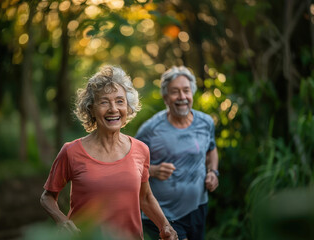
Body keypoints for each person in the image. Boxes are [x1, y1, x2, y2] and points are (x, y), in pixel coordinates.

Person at [40, 65, 178, 240]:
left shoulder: (141, 149)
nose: (113, 108)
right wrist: (61, 220)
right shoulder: (71, 151)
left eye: (120, 101)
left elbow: (145, 197)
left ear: (128, 107)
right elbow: (47, 197)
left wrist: (165, 225)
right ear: (91, 109)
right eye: (104, 102)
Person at [135, 66, 219, 240]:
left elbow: (211, 149)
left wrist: (213, 172)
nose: (182, 97)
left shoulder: (205, 122)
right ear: (166, 97)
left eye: (186, 91)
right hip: (163, 214)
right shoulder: (150, 130)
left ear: (192, 93)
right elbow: (131, 165)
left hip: (198, 208)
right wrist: (153, 170)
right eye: (175, 92)